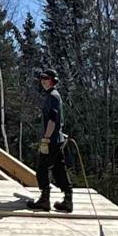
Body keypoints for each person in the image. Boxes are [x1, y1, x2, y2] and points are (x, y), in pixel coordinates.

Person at [27, 67, 73, 213]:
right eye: (42, 79)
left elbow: (52, 120)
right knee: (59, 168)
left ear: (53, 81)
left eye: (46, 79)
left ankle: (44, 200)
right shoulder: (53, 95)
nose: (43, 81)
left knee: (42, 168)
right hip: (57, 139)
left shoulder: (53, 96)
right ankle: (68, 200)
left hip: (52, 139)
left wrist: (46, 139)